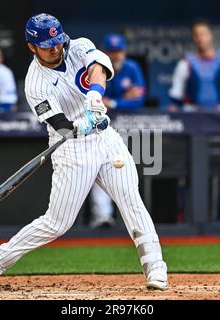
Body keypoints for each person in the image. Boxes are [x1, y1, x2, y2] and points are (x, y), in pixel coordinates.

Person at [0, 13, 168, 291]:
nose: (55, 48)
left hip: (106, 139)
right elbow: (60, 126)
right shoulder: (35, 84)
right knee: (57, 223)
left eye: (57, 41)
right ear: (32, 46)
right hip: (71, 148)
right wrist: (80, 124)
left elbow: (99, 67)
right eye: (47, 44)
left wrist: (95, 95)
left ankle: (155, 267)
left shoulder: (77, 46)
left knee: (131, 200)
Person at [89, 33, 147, 228]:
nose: (116, 55)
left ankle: (132, 219)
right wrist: (125, 98)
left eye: (119, 51)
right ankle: (102, 216)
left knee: (127, 170)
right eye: (112, 51)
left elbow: (139, 100)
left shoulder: (132, 68)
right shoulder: (97, 69)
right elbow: (95, 101)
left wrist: (113, 102)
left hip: (127, 125)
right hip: (100, 126)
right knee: (99, 169)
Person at [168, 19, 220, 111]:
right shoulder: (185, 63)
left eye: (204, 34)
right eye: (196, 35)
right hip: (193, 114)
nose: (200, 38)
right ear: (193, 38)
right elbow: (176, 96)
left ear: (211, 35)